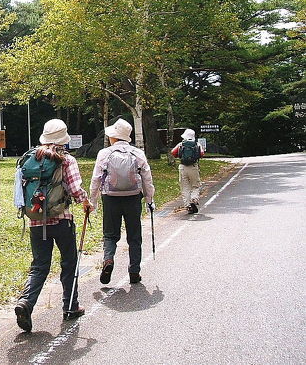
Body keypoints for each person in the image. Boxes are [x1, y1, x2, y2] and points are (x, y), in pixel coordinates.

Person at [14, 119, 90, 332]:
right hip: (62, 220)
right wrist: (86, 202)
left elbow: (19, 193)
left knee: (39, 266)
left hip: (36, 221)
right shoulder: (66, 160)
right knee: (69, 262)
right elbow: (75, 190)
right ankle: (70, 306)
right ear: (63, 139)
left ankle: (26, 302)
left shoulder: (29, 158)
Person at [88, 119, 155, 285]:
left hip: (110, 198)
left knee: (110, 234)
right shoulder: (138, 153)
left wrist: (93, 201)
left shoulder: (104, 153)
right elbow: (147, 178)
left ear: (114, 137)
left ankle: (108, 260)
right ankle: (134, 271)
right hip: (133, 198)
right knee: (134, 236)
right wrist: (149, 199)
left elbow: (96, 179)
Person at [170, 128, 205, 214]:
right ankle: (194, 198)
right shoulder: (197, 144)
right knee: (195, 185)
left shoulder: (181, 144)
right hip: (193, 167)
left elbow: (173, 152)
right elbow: (202, 153)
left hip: (182, 167)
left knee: (185, 187)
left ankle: (188, 205)